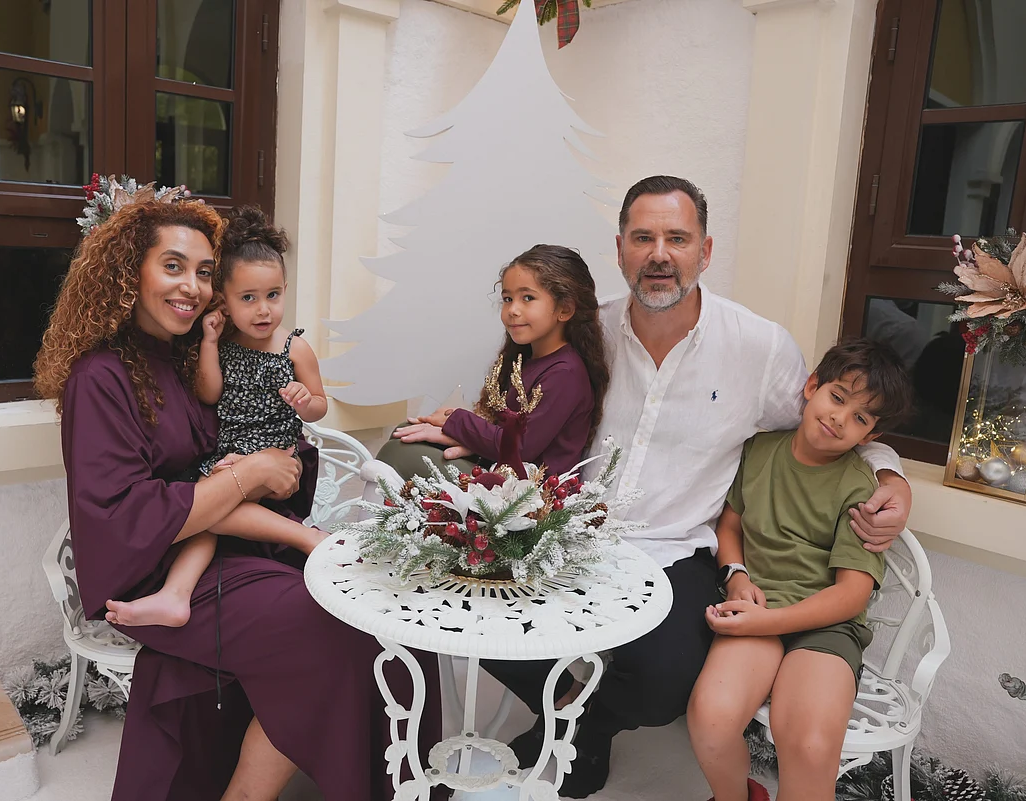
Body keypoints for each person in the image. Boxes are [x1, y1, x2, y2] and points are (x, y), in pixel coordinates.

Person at [482, 176, 913, 798]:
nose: (659, 254)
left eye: (677, 239)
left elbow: (832, 423)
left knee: (665, 683)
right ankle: (571, 715)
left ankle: (584, 725)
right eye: (643, 238)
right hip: (566, 532)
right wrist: (456, 427)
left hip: (676, 548)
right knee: (477, 619)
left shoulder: (758, 348)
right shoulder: (583, 332)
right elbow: (515, 406)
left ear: (705, 252)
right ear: (620, 249)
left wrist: (892, 474)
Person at [34, 195, 438, 801]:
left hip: (235, 543)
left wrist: (269, 468)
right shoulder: (100, 378)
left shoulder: (185, 355)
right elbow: (122, 516)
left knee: (389, 613)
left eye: (203, 272)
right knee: (341, 630)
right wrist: (248, 476)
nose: (192, 286)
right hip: (161, 569)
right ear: (128, 272)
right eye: (173, 266)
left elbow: (250, 442)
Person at [687, 338, 913, 801]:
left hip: (826, 626)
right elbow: (730, 525)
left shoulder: (860, 488)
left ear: (869, 437)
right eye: (837, 397)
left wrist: (768, 621)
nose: (840, 418)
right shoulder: (758, 451)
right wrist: (737, 575)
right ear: (812, 387)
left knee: (810, 746)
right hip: (758, 606)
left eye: (860, 418)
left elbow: (851, 595)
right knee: (710, 718)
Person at [102, 205, 327, 630]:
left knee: (206, 507)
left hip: (275, 452)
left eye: (273, 296)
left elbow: (319, 404)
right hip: (231, 452)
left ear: (285, 290)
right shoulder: (224, 345)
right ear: (224, 300)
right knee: (204, 511)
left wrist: (303, 400)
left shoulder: (293, 348)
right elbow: (209, 393)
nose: (263, 310)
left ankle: (307, 539)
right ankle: (176, 595)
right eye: (248, 298)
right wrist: (208, 341)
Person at [379, 243, 610, 478]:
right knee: (405, 432)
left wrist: (456, 420)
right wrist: (465, 437)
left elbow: (522, 447)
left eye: (528, 298)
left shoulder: (565, 374)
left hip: (531, 491)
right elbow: (504, 432)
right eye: (508, 299)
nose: (513, 310)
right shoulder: (526, 360)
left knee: (400, 453)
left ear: (565, 309)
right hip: (500, 468)